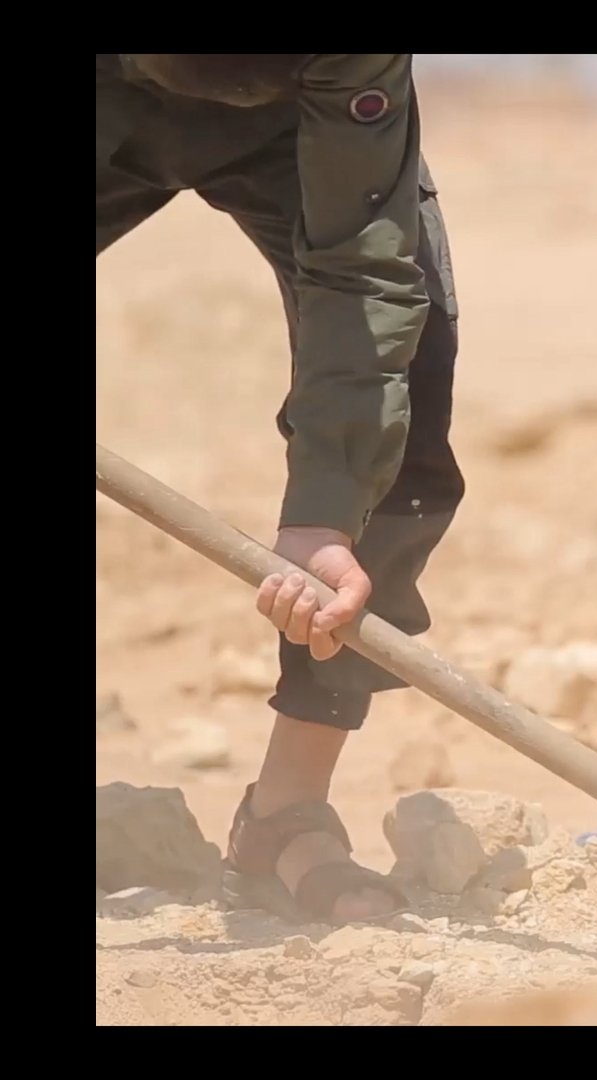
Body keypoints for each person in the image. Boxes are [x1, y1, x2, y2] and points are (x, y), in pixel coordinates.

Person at [97, 54, 464, 920]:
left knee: (400, 406)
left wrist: (326, 515)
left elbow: (362, 276)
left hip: (299, 122)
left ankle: (284, 815)